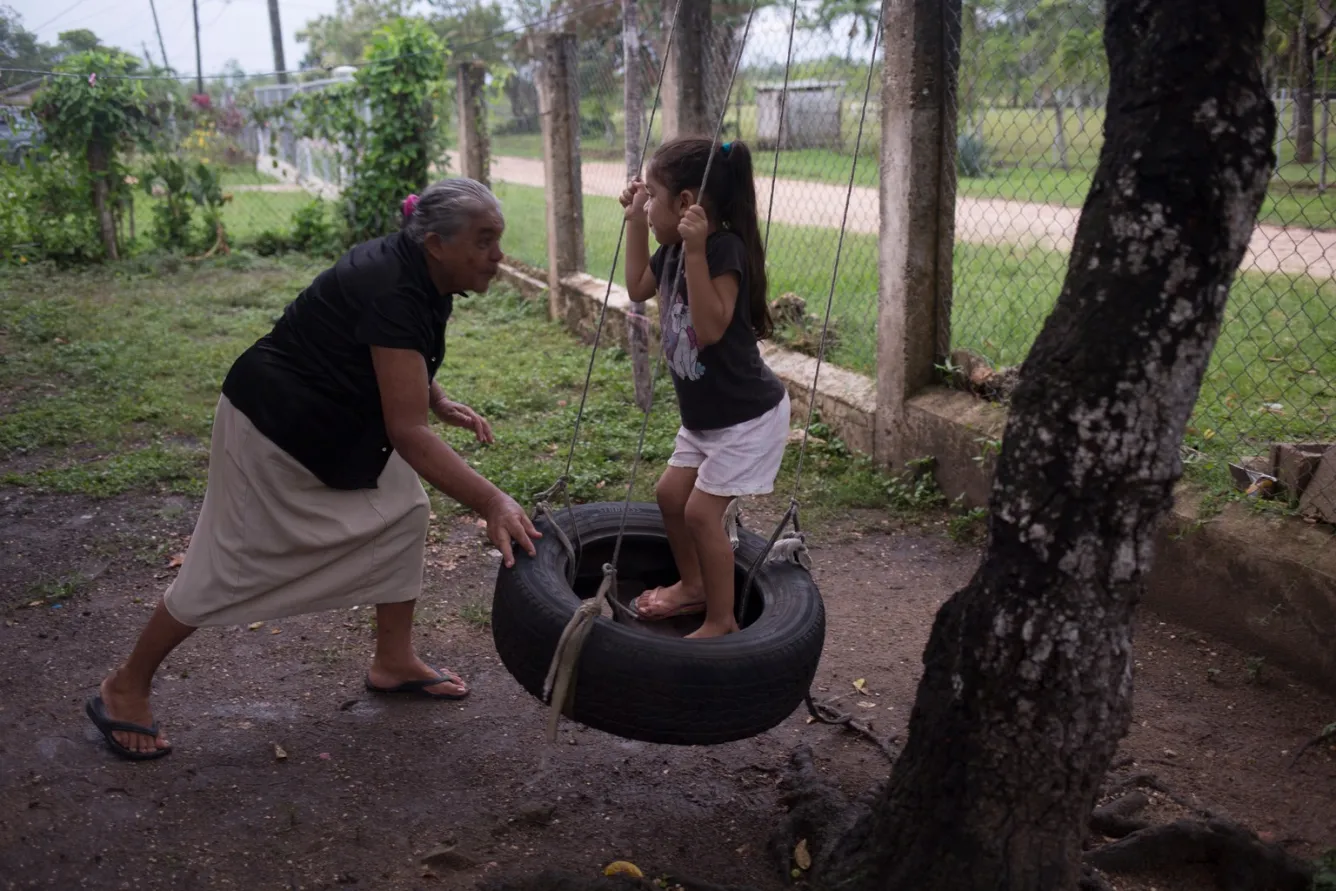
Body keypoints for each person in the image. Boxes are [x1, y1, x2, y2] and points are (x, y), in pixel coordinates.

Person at [85, 178, 542, 761]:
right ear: (436, 243)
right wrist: (493, 501)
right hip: (271, 426)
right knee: (227, 562)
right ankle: (123, 687)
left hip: (332, 419)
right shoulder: (394, 288)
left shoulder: (423, 272)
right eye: (484, 241)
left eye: (496, 240)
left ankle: (393, 661)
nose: (498, 256)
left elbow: (386, 350)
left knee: (404, 510)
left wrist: (434, 394)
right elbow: (406, 433)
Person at [618, 137, 790, 639]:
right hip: (706, 418)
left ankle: (722, 619)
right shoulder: (672, 250)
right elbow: (636, 289)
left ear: (687, 203)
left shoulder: (719, 249)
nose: (647, 204)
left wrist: (695, 248)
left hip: (746, 417)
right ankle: (693, 585)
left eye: (653, 195)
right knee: (670, 495)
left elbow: (710, 329)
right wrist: (634, 224)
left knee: (700, 513)